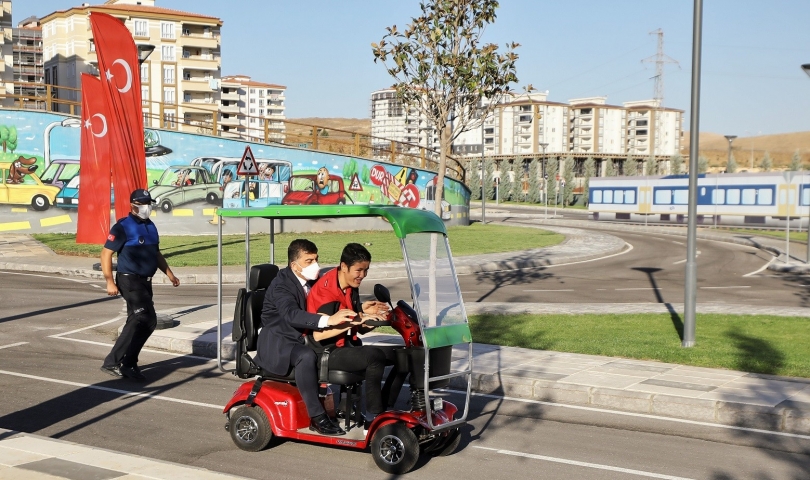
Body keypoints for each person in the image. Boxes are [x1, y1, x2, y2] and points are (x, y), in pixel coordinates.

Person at [253, 239, 357, 436]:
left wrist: (358, 312)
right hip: (280, 341)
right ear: (294, 265)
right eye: (309, 261)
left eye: (316, 259)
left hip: (301, 336)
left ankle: (342, 405)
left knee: (343, 349)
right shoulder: (281, 285)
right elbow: (291, 314)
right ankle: (317, 417)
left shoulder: (311, 281)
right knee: (306, 356)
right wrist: (328, 320)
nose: (315, 265)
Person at [306, 243, 391, 431]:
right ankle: (374, 418)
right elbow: (320, 334)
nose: (363, 275)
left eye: (366, 270)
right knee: (374, 357)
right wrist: (357, 319)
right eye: (359, 270)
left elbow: (357, 329)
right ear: (344, 266)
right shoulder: (326, 291)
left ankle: (383, 409)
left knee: (398, 355)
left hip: (345, 345)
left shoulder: (350, 285)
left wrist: (370, 318)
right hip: (326, 351)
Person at [100, 189, 180, 381]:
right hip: (129, 279)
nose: (146, 207)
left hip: (145, 281)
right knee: (145, 317)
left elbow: (156, 254)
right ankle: (114, 361)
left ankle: (128, 364)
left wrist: (169, 274)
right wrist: (109, 281)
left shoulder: (151, 226)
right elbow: (106, 254)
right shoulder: (122, 227)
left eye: (148, 203)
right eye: (142, 203)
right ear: (133, 205)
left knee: (138, 320)